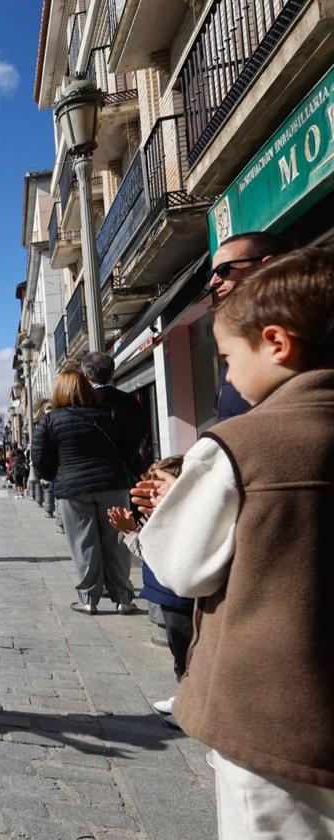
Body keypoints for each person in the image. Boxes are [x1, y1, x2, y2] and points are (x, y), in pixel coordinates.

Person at [136, 249, 334, 834]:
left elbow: (183, 567)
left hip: (272, 713)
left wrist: (171, 505)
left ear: (276, 344)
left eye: (226, 358)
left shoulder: (238, 444)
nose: (225, 376)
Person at [31, 369, 139, 615]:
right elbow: (132, 442)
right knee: (117, 540)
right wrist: (117, 463)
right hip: (112, 484)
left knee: (82, 542)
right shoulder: (111, 413)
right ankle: (123, 598)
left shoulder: (50, 420)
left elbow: (40, 458)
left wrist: (55, 474)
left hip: (73, 488)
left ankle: (89, 598)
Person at [107, 455, 188, 728]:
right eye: (149, 486)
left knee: (191, 655)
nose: (151, 495)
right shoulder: (154, 522)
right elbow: (146, 553)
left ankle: (190, 706)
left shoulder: (187, 523)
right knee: (181, 654)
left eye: (159, 488)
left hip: (184, 600)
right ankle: (186, 698)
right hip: (166, 597)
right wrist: (131, 531)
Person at [209, 231, 288, 420]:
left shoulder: (305, 326)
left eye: (224, 270)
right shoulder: (242, 329)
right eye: (211, 274)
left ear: (268, 266)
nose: (213, 281)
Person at [80, 352, 145, 476]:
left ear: (85, 376)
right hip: (131, 470)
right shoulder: (130, 400)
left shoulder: (83, 404)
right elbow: (141, 431)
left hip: (97, 473)